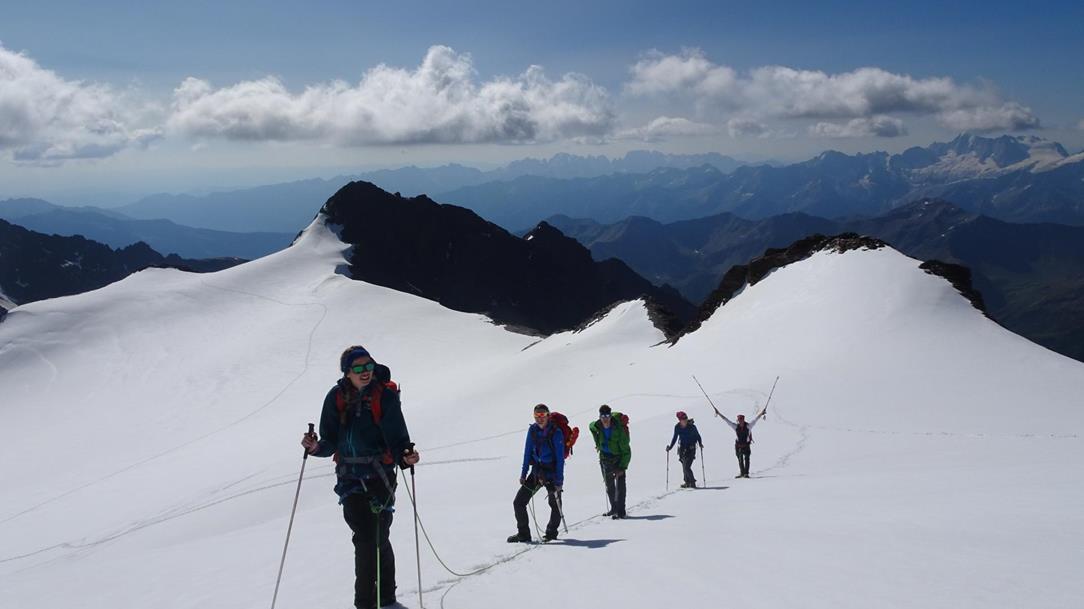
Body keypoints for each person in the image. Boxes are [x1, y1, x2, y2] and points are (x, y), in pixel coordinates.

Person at [302, 345, 420, 609]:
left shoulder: (384, 397)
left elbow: (398, 436)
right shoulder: (335, 398)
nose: (365, 372)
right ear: (347, 372)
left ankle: (386, 597)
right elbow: (330, 441)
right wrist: (315, 448)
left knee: (378, 537)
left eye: (368, 366)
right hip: (350, 479)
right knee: (366, 538)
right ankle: (366, 602)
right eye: (358, 368)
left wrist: (406, 456)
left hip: (381, 477)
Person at [508, 404, 566, 543]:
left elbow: (560, 460)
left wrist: (559, 481)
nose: (539, 418)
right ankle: (523, 534)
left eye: (542, 415)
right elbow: (527, 453)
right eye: (536, 415)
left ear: (548, 415)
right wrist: (523, 474)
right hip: (537, 473)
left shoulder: (556, 432)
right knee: (519, 502)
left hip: (552, 474)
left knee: (555, 504)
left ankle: (551, 533)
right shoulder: (532, 430)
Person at [588, 404, 631, 519]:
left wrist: (622, 467)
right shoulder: (598, 426)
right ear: (600, 417)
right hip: (605, 459)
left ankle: (621, 511)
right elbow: (591, 426)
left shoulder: (618, 430)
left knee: (620, 486)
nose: (605, 419)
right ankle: (614, 508)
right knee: (610, 485)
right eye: (603, 416)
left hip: (618, 459)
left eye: (607, 415)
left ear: (611, 416)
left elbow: (626, 450)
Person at [715, 409, 765, 478]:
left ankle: (746, 473)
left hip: (746, 445)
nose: (740, 422)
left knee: (747, 459)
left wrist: (761, 413)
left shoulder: (748, 426)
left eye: (741, 420)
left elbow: (756, 419)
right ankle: (742, 473)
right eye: (739, 420)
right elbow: (726, 420)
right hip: (738, 446)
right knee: (740, 459)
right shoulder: (735, 427)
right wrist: (719, 413)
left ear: (743, 420)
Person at [665, 411, 703, 488]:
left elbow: (698, 436)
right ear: (680, 420)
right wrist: (670, 447)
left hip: (691, 448)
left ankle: (692, 483)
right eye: (683, 419)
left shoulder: (692, 427)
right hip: (682, 448)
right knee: (684, 465)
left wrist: (700, 443)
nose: (685, 420)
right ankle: (687, 482)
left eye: (686, 418)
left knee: (687, 467)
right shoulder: (677, 427)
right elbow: (675, 438)